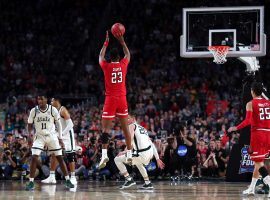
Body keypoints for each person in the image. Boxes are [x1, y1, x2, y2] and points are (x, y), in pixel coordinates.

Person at [228, 82, 270, 196]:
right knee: (259, 162)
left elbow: (248, 121)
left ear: (252, 91)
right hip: (268, 134)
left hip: (258, 135)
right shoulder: (268, 102)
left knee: (258, 163)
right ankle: (251, 188)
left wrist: (235, 127)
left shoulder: (250, 103)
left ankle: (269, 184)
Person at [98, 31, 132, 169]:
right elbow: (128, 54)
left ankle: (104, 154)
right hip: (122, 99)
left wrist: (106, 42)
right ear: (119, 57)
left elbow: (100, 56)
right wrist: (122, 41)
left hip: (110, 99)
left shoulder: (106, 66)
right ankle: (129, 154)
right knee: (126, 129)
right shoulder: (123, 64)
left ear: (110, 57)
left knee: (105, 129)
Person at [25, 94, 74, 190]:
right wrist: (29, 135)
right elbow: (30, 124)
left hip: (52, 136)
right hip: (39, 136)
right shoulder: (33, 111)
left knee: (59, 157)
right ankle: (31, 182)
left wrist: (60, 138)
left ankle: (68, 180)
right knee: (34, 157)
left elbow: (59, 125)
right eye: (38, 99)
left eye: (41, 99)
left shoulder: (53, 110)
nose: (39, 101)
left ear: (46, 100)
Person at [114, 115, 165, 189]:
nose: (126, 120)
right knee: (138, 162)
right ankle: (148, 183)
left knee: (117, 159)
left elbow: (130, 140)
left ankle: (129, 179)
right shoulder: (143, 129)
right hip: (149, 154)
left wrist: (124, 152)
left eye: (128, 118)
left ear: (133, 119)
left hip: (142, 154)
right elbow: (151, 144)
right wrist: (157, 158)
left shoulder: (131, 125)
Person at [41, 96, 77, 185]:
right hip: (60, 134)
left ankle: (73, 177)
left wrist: (61, 134)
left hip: (68, 135)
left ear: (57, 101)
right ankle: (52, 177)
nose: (51, 102)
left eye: (52, 100)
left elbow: (70, 124)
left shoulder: (62, 110)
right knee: (54, 154)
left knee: (70, 155)